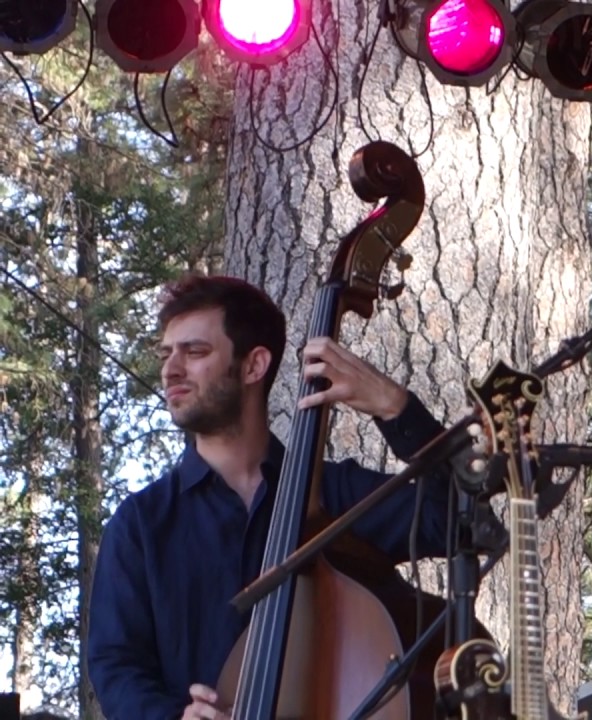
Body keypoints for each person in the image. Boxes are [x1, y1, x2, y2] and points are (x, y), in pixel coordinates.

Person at [86, 274, 457, 720]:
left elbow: (455, 521)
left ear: (254, 366)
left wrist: (396, 409)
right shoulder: (141, 524)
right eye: (167, 354)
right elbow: (115, 666)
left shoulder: (335, 494)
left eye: (195, 351)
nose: (171, 369)